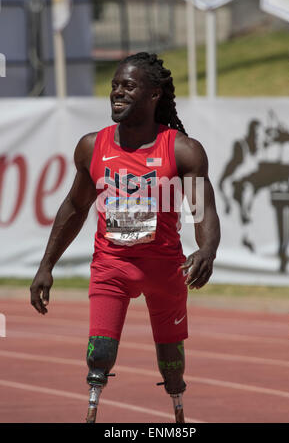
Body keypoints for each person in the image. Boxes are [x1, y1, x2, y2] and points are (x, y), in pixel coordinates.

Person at [30, 52, 220, 423]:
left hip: (166, 270)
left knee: (172, 362)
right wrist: (45, 266)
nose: (117, 92)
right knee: (99, 354)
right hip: (112, 265)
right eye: (115, 85)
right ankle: (92, 412)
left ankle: (178, 412)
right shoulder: (92, 146)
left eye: (128, 86)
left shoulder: (183, 149)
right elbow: (74, 208)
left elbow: (203, 211)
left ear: (154, 95)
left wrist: (207, 249)